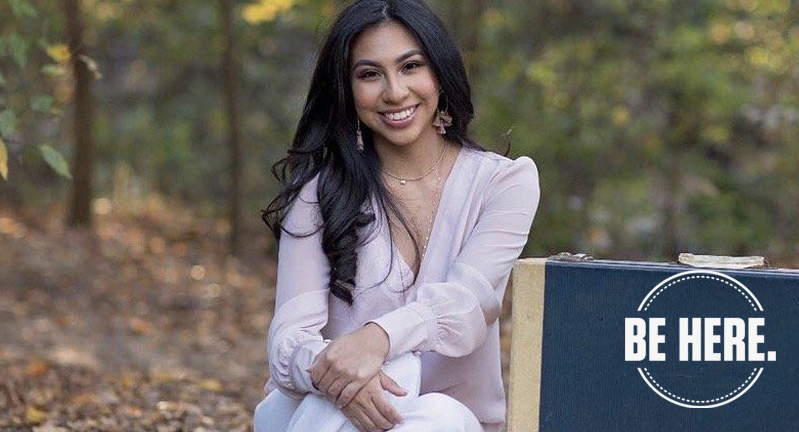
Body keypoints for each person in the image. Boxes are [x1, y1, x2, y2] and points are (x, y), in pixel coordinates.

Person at [255, 0, 540, 431]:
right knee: (322, 405)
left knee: (439, 416)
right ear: (347, 90)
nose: (394, 92)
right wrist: (343, 376)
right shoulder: (321, 190)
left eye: (410, 67)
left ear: (440, 73)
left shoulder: (503, 184)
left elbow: (466, 306)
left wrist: (376, 340)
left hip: (446, 423)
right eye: (370, 74)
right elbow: (288, 342)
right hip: (326, 412)